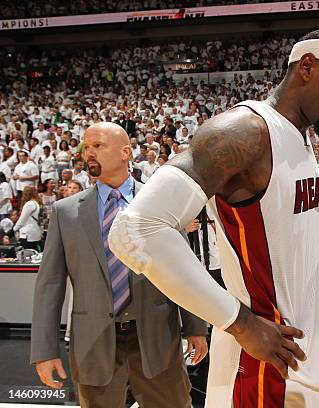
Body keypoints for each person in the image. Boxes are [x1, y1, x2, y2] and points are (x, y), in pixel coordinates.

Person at [109, 29, 319, 407]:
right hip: (269, 368)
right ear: (306, 67)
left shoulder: (302, 136)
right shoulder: (244, 130)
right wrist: (239, 322)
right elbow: (136, 228)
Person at [30, 122, 208, 408]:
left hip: (156, 336)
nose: (89, 153)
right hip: (94, 342)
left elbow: (182, 268)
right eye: (86, 147)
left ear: (126, 152)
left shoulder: (159, 202)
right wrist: (44, 348)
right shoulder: (66, 213)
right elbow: (50, 284)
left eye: (98, 146)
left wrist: (195, 327)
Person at [13, 185, 43, 251]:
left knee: (27, 255)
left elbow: (22, 220)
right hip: (36, 233)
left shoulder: (29, 204)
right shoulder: (37, 203)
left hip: (28, 234)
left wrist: (14, 229)